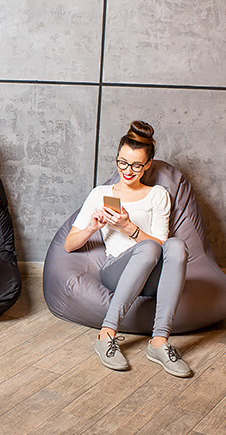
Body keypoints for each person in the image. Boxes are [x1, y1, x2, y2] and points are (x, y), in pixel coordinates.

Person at [64, 121, 192, 377]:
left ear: (148, 164)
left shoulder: (158, 195)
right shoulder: (101, 193)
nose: (128, 170)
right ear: (117, 160)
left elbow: (161, 245)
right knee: (146, 249)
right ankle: (107, 333)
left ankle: (159, 342)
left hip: (153, 275)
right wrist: (92, 227)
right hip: (116, 271)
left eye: (135, 165)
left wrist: (128, 227)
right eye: (122, 162)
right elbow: (69, 245)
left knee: (175, 245)